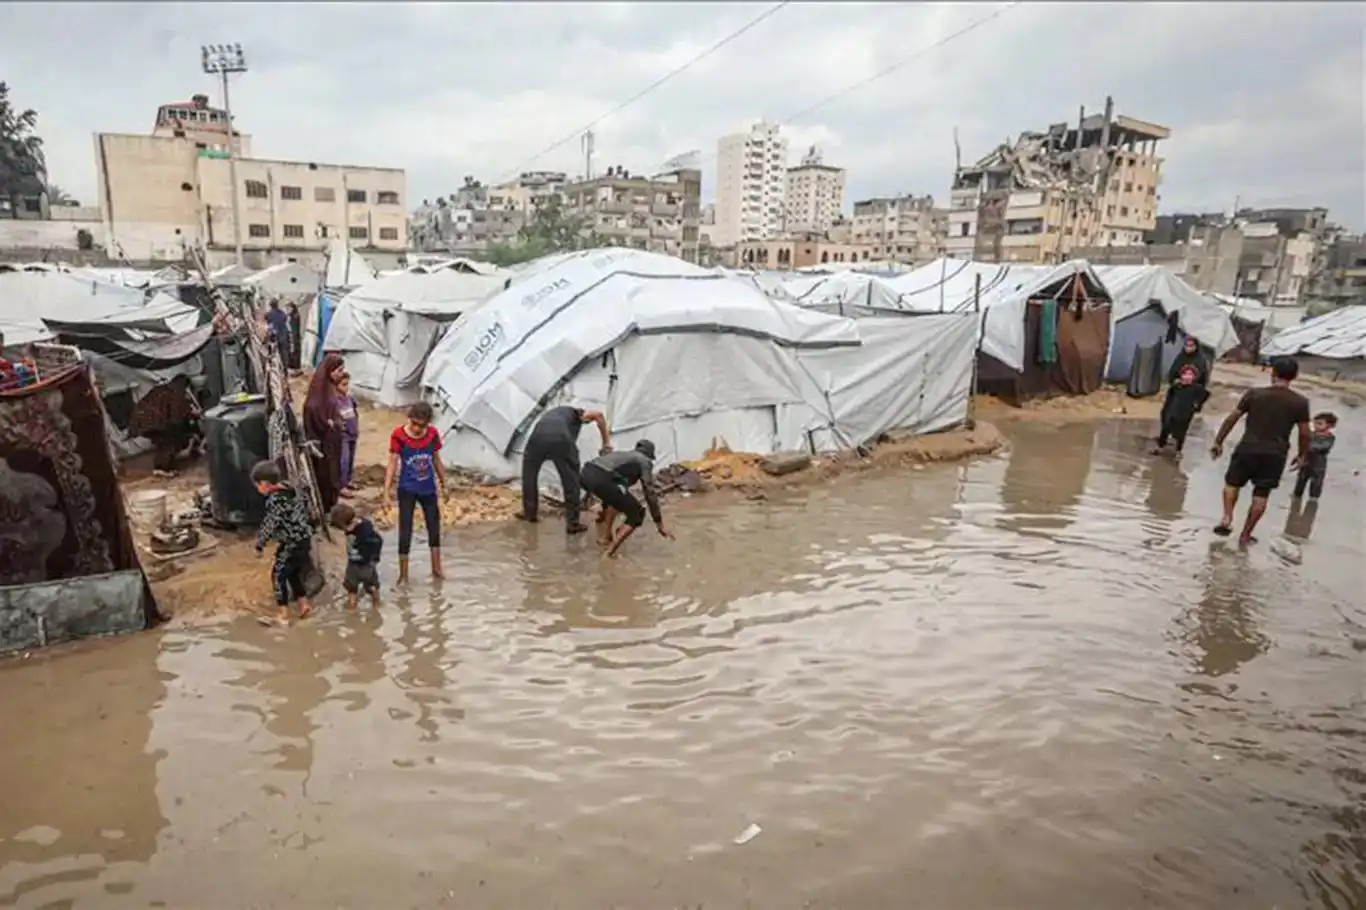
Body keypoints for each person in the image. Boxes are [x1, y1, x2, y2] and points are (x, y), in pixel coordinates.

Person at [1209, 356, 1311, 545]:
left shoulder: (1254, 394)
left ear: (1273, 372)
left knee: (1232, 484)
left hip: (1247, 448)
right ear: (1294, 376)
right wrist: (1303, 455)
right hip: (1275, 454)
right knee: (1261, 495)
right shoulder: (1300, 402)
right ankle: (1245, 534)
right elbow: (1305, 432)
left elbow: (1233, 417)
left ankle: (1227, 517)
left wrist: (1218, 441)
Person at [517, 405, 612, 533]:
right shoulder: (577, 414)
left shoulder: (553, 414)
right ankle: (572, 524)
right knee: (571, 481)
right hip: (560, 440)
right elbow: (598, 416)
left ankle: (529, 513)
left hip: (536, 439)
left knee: (529, 475)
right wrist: (606, 442)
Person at [383, 401, 446, 584]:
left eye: (422, 425)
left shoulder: (433, 434)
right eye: (415, 424)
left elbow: (436, 459)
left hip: (428, 489)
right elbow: (393, 463)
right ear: (409, 419)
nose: (418, 429)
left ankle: (437, 569)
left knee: (434, 527)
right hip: (407, 489)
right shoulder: (399, 436)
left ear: (428, 424)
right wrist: (386, 492)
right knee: (405, 529)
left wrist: (444, 483)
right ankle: (403, 574)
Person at [580, 439, 673, 558]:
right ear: (649, 455)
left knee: (616, 498)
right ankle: (608, 553)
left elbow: (599, 475)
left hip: (585, 474)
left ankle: (606, 537)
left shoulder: (622, 457)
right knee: (637, 514)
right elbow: (649, 492)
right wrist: (659, 523)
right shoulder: (644, 461)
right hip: (602, 479)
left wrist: (586, 497)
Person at [252, 460, 316, 624]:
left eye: (257, 486)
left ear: (265, 484)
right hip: (304, 539)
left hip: (291, 542)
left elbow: (270, 524)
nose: (258, 490)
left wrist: (260, 543)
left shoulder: (275, 501)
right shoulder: (291, 491)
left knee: (278, 575)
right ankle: (304, 605)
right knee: (293, 573)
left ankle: (283, 614)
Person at [129, 374, 204, 476]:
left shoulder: (162, 388)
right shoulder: (177, 392)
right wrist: (191, 414)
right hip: (153, 421)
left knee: (163, 440)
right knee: (169, 439)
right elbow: (176, 415)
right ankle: (162, 468)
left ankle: (163, 465)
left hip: (139, 420)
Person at [303, 353, 348, 512]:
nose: (341, 374)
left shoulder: (330, 389)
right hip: (322, 446)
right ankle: (324, 508)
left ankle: (331, 506)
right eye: (339, 370)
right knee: (324, 476)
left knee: (333, 474)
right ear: (329, 371)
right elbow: (312, 411)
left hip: (332, 444)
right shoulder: (319, 393)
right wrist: (326, 423)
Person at [329, 502, 384, 610]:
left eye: (344, 528)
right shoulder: (353, 526)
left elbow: (378, 542)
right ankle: (352, 609)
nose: (344, 531)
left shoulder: (367, 530)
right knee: (351, 589)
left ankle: (376, 606)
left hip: (367, 565)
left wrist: (374, 558)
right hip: (352, 565)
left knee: (372, 587)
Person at [1152, 363, 1209, 456]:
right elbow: (1169, 398)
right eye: (1185, 374)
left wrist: (1197, 405)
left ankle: (1178, 451)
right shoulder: (1177, 386)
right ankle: (1160, 447)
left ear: (1194, 377)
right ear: (1181, 375)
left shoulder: (1196, 388)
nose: (1187, 377)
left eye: (1190, 374)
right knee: (1165, 429)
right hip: (1172, 411)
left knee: (1181, 433)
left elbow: (1205, 395)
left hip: (1185, 414)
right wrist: (1165, 410)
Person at [1292, 411, 1338, 500]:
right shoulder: (1310, 434)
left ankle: (1313, 500)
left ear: (1329, 426)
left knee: (1316, 484)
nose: (1316, 426)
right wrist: (1299, 455)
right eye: (1315, 423)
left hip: (1318, 465)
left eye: (1320, 424)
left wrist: (1306, 448)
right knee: (1300, 482)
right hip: (1305, 463)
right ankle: (1296, 499)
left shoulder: (1330, 438)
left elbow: (1322, 447)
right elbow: (1303, 446)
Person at [337, 373, 360, 497]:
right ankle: (342, 485)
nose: (346, 388)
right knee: (343, 461)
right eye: (343, 385)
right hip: (343, 435)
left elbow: (354, 413)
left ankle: (348, 480)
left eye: (347, 384)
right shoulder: (335, 402)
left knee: (351, 459)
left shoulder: (349, 399)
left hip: (352, 433)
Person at [287, 302, 303, 372]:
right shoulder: (293, 315)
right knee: (294, 352)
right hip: (294, 336)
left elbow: (294, 328)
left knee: (294, 353)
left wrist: (292, 339)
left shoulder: (294, 316)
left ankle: (295, 369)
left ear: (292, 308)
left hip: (294, 337)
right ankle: (295, 368)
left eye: (289, 308)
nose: (288, 309)